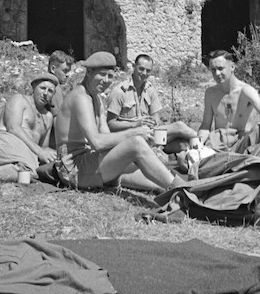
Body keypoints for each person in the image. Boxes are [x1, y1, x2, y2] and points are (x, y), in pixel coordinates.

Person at [54, 51, 187, 193]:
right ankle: (179, 189)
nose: (106, 80)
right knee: (136, 144)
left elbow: (105, 135)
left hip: (90, 161)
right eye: (102, 74)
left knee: (155, 176)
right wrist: (135, 133)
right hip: (73, 169)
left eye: (110, 76)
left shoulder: (96, 98)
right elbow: (97, 142)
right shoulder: (81, 97)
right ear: (89, 72)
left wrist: (135, 145)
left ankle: (181, 190)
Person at [106, 53, 198, 155]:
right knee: (179, 126)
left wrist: (152, 123)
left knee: (183, 145)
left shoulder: (150, 90)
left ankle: (202, 151)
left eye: (148, 71)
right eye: (141, 69)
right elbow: (111, 124)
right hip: (130, 136)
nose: (144, 73)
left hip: (150, 135)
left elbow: (156, 118)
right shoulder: (119, 91)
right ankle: (206, 142)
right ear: (133, 67)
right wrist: (135, 124)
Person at [195, 49, 260, 153]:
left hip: (241, 144)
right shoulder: (210, 93)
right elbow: (206, 126)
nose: (217, 73)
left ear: (232, 67)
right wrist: (198, 143)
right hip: (219, 144)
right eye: (213, 70)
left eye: (220, 68)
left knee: (257, 130)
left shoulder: (245, 91)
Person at [0, 71, 58, 181]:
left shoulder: (48, 116)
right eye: (42, 88)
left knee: (31, 173)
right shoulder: (20, 99)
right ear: (34, 87)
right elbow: (13, 128)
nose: (46, 93)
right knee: (29, 172)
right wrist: (40, 152)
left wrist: (52, 155)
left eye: (50, 91)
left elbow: (43, 147)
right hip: (6, 142)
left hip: (27, 154)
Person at [47, 50, 73, 149]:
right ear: (53, 69)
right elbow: (57, 119)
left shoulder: (43, 85)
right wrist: (63, 148)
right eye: (65, 71)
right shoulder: (54, 88)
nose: (68, 75)